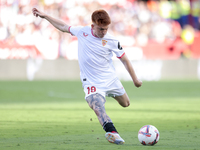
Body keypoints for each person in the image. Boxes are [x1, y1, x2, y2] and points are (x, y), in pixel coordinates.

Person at [32, 8, 142, 145]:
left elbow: (124, 59)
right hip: (91, 82)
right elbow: (63, 26)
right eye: (101, 29)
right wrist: (46, 16)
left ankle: (106, 96)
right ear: (92, 26)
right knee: (96, 105)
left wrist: (135, 79)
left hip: (110, 79)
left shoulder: (112, 40)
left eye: (106, 29)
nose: (104, 32)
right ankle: (111, 132)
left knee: (126, 103)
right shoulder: (82, 32)